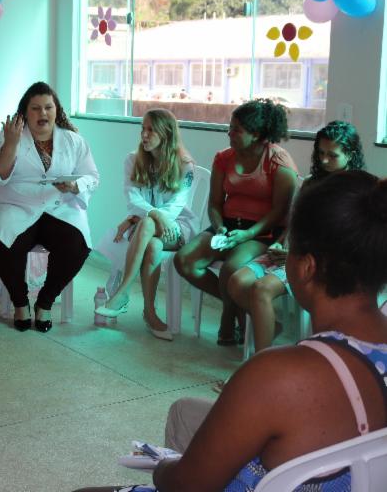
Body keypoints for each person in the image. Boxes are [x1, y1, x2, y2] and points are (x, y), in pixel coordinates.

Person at [76, 170, 387, 492]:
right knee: (185, 412)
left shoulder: (279, 374)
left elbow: (187, 485)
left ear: (306, 266)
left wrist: (163, 467)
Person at [226, 120, 365, 353]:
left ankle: (262, 364)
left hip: (317, 260)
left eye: (333, 155)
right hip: (291, 251)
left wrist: (295, 254)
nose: (324, 160)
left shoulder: (355, 189)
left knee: (261, 289)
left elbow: (344, 239)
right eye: (320, 153)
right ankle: (271, 326)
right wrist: (282, 244)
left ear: (350, 155)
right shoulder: (312, 183)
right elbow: (295, 221)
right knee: (237, 282)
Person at [174, 99, 298, 346]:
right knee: (184, 260)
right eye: (229, 127)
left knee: (231, 268)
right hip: (227, 225)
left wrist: (247, 234)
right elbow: (215, 203)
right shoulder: (223, 158)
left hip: (262, 231)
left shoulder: (279, 162)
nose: (229, 133)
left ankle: (227, 320)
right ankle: (237, 312)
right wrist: (219, 226)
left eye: (236, 130)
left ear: (257, 134)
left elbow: (279, 211)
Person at [0, 81, 100, 333]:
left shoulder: (73, 141)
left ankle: (45, 302)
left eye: (48, 107)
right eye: (35, 108)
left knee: (77, 244)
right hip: (16, 205)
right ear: (25, 112)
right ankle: (20, 302)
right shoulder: (7, 136)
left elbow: (92, 176)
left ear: (56, 110)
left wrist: (75, 185)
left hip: (59, 207)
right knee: (0, 241)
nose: (43, 113)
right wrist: (11, 145)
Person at [94, 109, 199, 341]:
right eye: (143, 128)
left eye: (151, 129)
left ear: (166, 133)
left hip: (177, 227)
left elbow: (177, 206)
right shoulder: (133, 159)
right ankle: (150, 313)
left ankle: (122, 292)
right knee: (152, 245)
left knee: (149, 224)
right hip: (148, 228)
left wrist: (152, 216)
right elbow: (132, 198)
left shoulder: (185, 165)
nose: (144, 134)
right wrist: (151, 216)